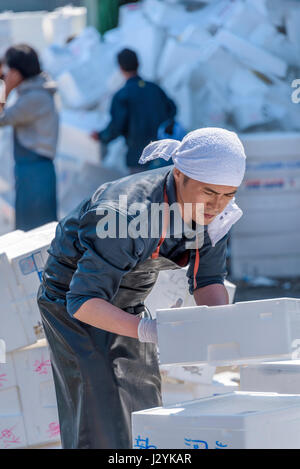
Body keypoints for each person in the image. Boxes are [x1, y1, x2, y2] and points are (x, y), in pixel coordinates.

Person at [37, 127, 247, 449]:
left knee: (142, 403)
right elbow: (82, 299)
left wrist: (221, 329)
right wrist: (149, 331)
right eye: (209, 193)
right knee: (100, 410)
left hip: (130, 299)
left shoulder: (215, 216)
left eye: (228, 194)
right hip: (73, 304)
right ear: (179, 174)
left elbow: (207, 280)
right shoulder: (125, 215)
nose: (217, 205)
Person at [0, 44, 58, 231]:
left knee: (34, 232)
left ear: (17, 71)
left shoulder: (35, 96)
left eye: (8, 71)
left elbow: (2, 119)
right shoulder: (35, 90)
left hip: (35, 172)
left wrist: (5, 89)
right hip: (33, 170)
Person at [91, 48, 177, 174]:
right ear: (138, 64)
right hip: (163, 157)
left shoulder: (122, 95)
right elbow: (173, 110)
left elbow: (116, 127)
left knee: (138, 192)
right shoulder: (155, 89)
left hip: (139, 158)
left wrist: (100, 136)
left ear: (120, 68)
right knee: (164, 192)